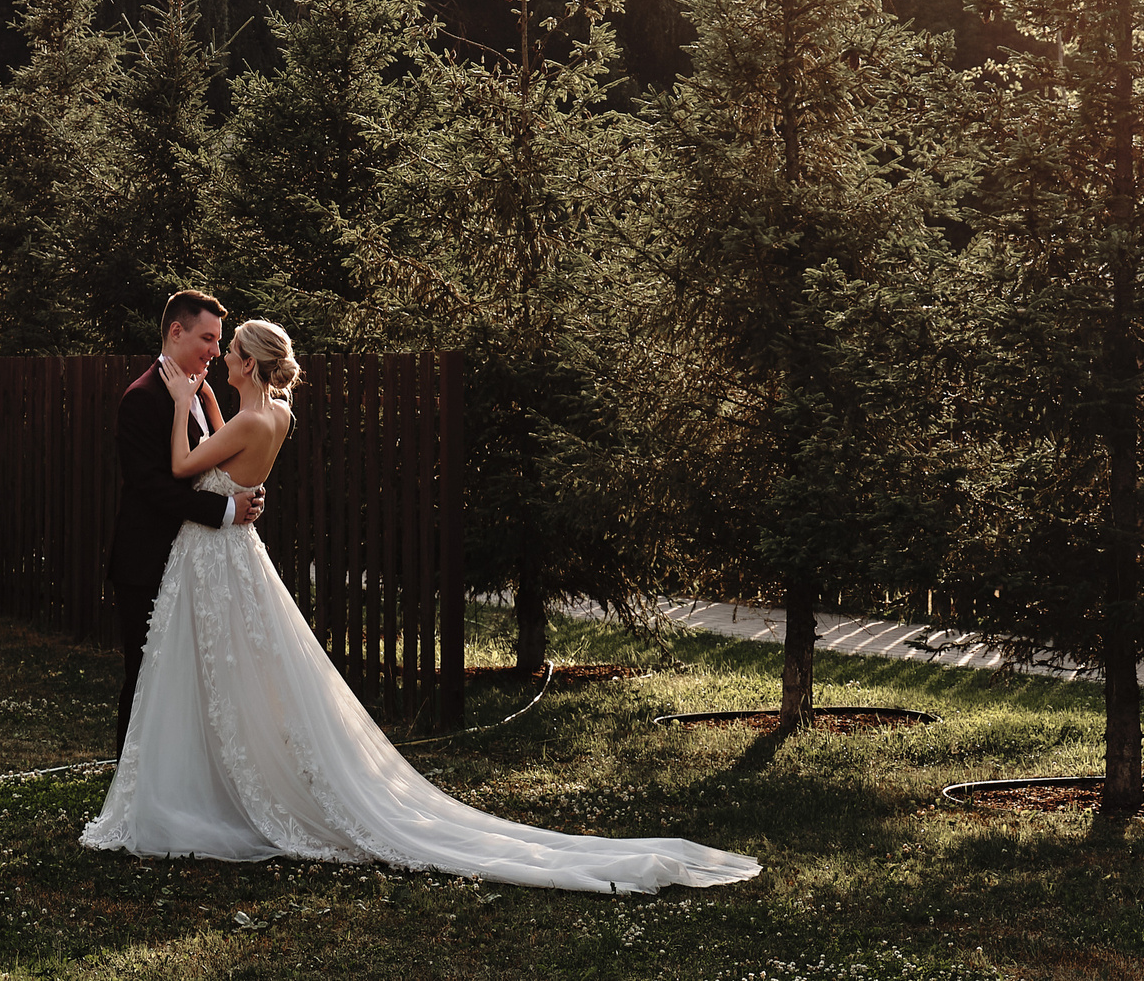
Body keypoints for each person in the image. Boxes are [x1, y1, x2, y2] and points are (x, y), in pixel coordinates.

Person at [84, 316, 759, 895]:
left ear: (250, 362)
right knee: (244, 668)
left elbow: (179, 467)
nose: (220, 355)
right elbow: (233, 461)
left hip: (217, 558)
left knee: (221, 667)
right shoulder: (276, 413)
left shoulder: (244, 419)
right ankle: (224, 775)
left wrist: (181, 400)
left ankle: (215, 788)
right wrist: (206, 397)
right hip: (231, 554)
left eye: (228, 349)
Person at [106, 289, 265, 756]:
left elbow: (217, 463)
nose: (216, 351)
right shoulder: (142, 398)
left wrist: (246, 491)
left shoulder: (199, 391)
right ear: (176, 332)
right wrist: (225, 511)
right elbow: (151, 487)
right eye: (208, 338)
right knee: (146, 675)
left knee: (190, 680)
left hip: (194, 561)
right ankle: (130, 783)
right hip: (147, 561)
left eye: (219, 342)